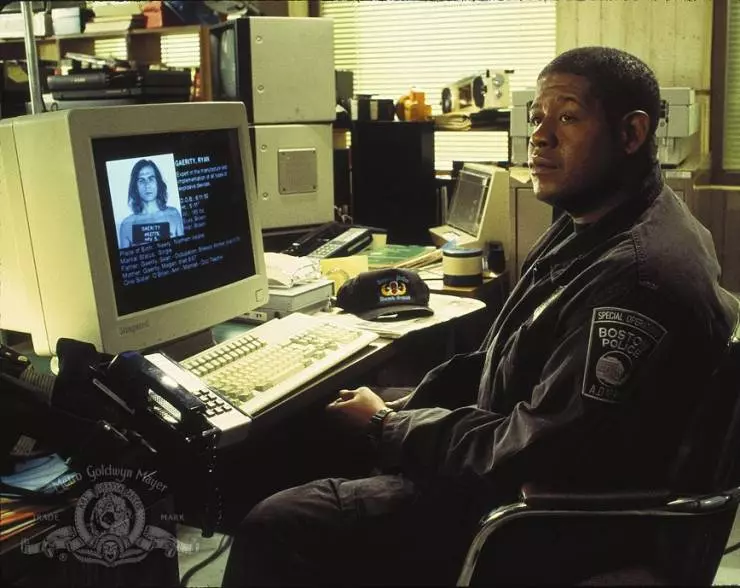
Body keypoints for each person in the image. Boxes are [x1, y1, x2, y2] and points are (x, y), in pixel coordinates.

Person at [222, 47, 738, 586]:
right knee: (296, 439)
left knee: (279, 523)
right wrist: (404, 410)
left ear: (631, 134)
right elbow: (505, 358)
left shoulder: (635, 278)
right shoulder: (596, 219)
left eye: (567, 118)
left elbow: (535, 455)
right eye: (536, 118)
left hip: (534, 525)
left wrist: (387, 425)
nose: (540, 137)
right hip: (515, 463)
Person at [118, 159, 184, 249]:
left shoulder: (174, 214)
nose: (147, 185)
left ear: (158, 183)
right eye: (141, 181)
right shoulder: (126, 225)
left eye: (151, 179)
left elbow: (183, 250)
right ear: (135, 187)